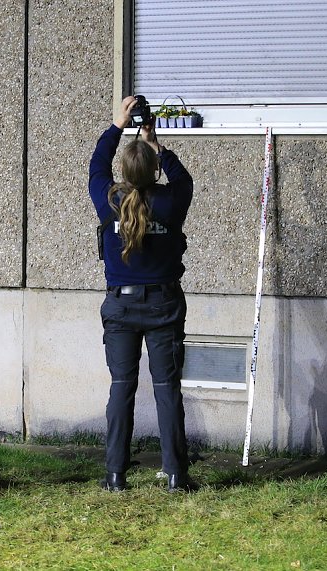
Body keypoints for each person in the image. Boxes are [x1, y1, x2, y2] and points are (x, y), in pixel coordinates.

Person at [88, 95, 196, 492]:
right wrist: (157, 145)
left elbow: (96, 165)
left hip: (120, 306)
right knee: (167, 389)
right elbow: (183, 180)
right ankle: (175, 475)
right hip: (164, 304)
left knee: (122, 387)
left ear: (124, 172)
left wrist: (118, 125)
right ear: (153, 171)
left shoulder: (109, 199)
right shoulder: (170, 201)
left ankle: (115, 475)